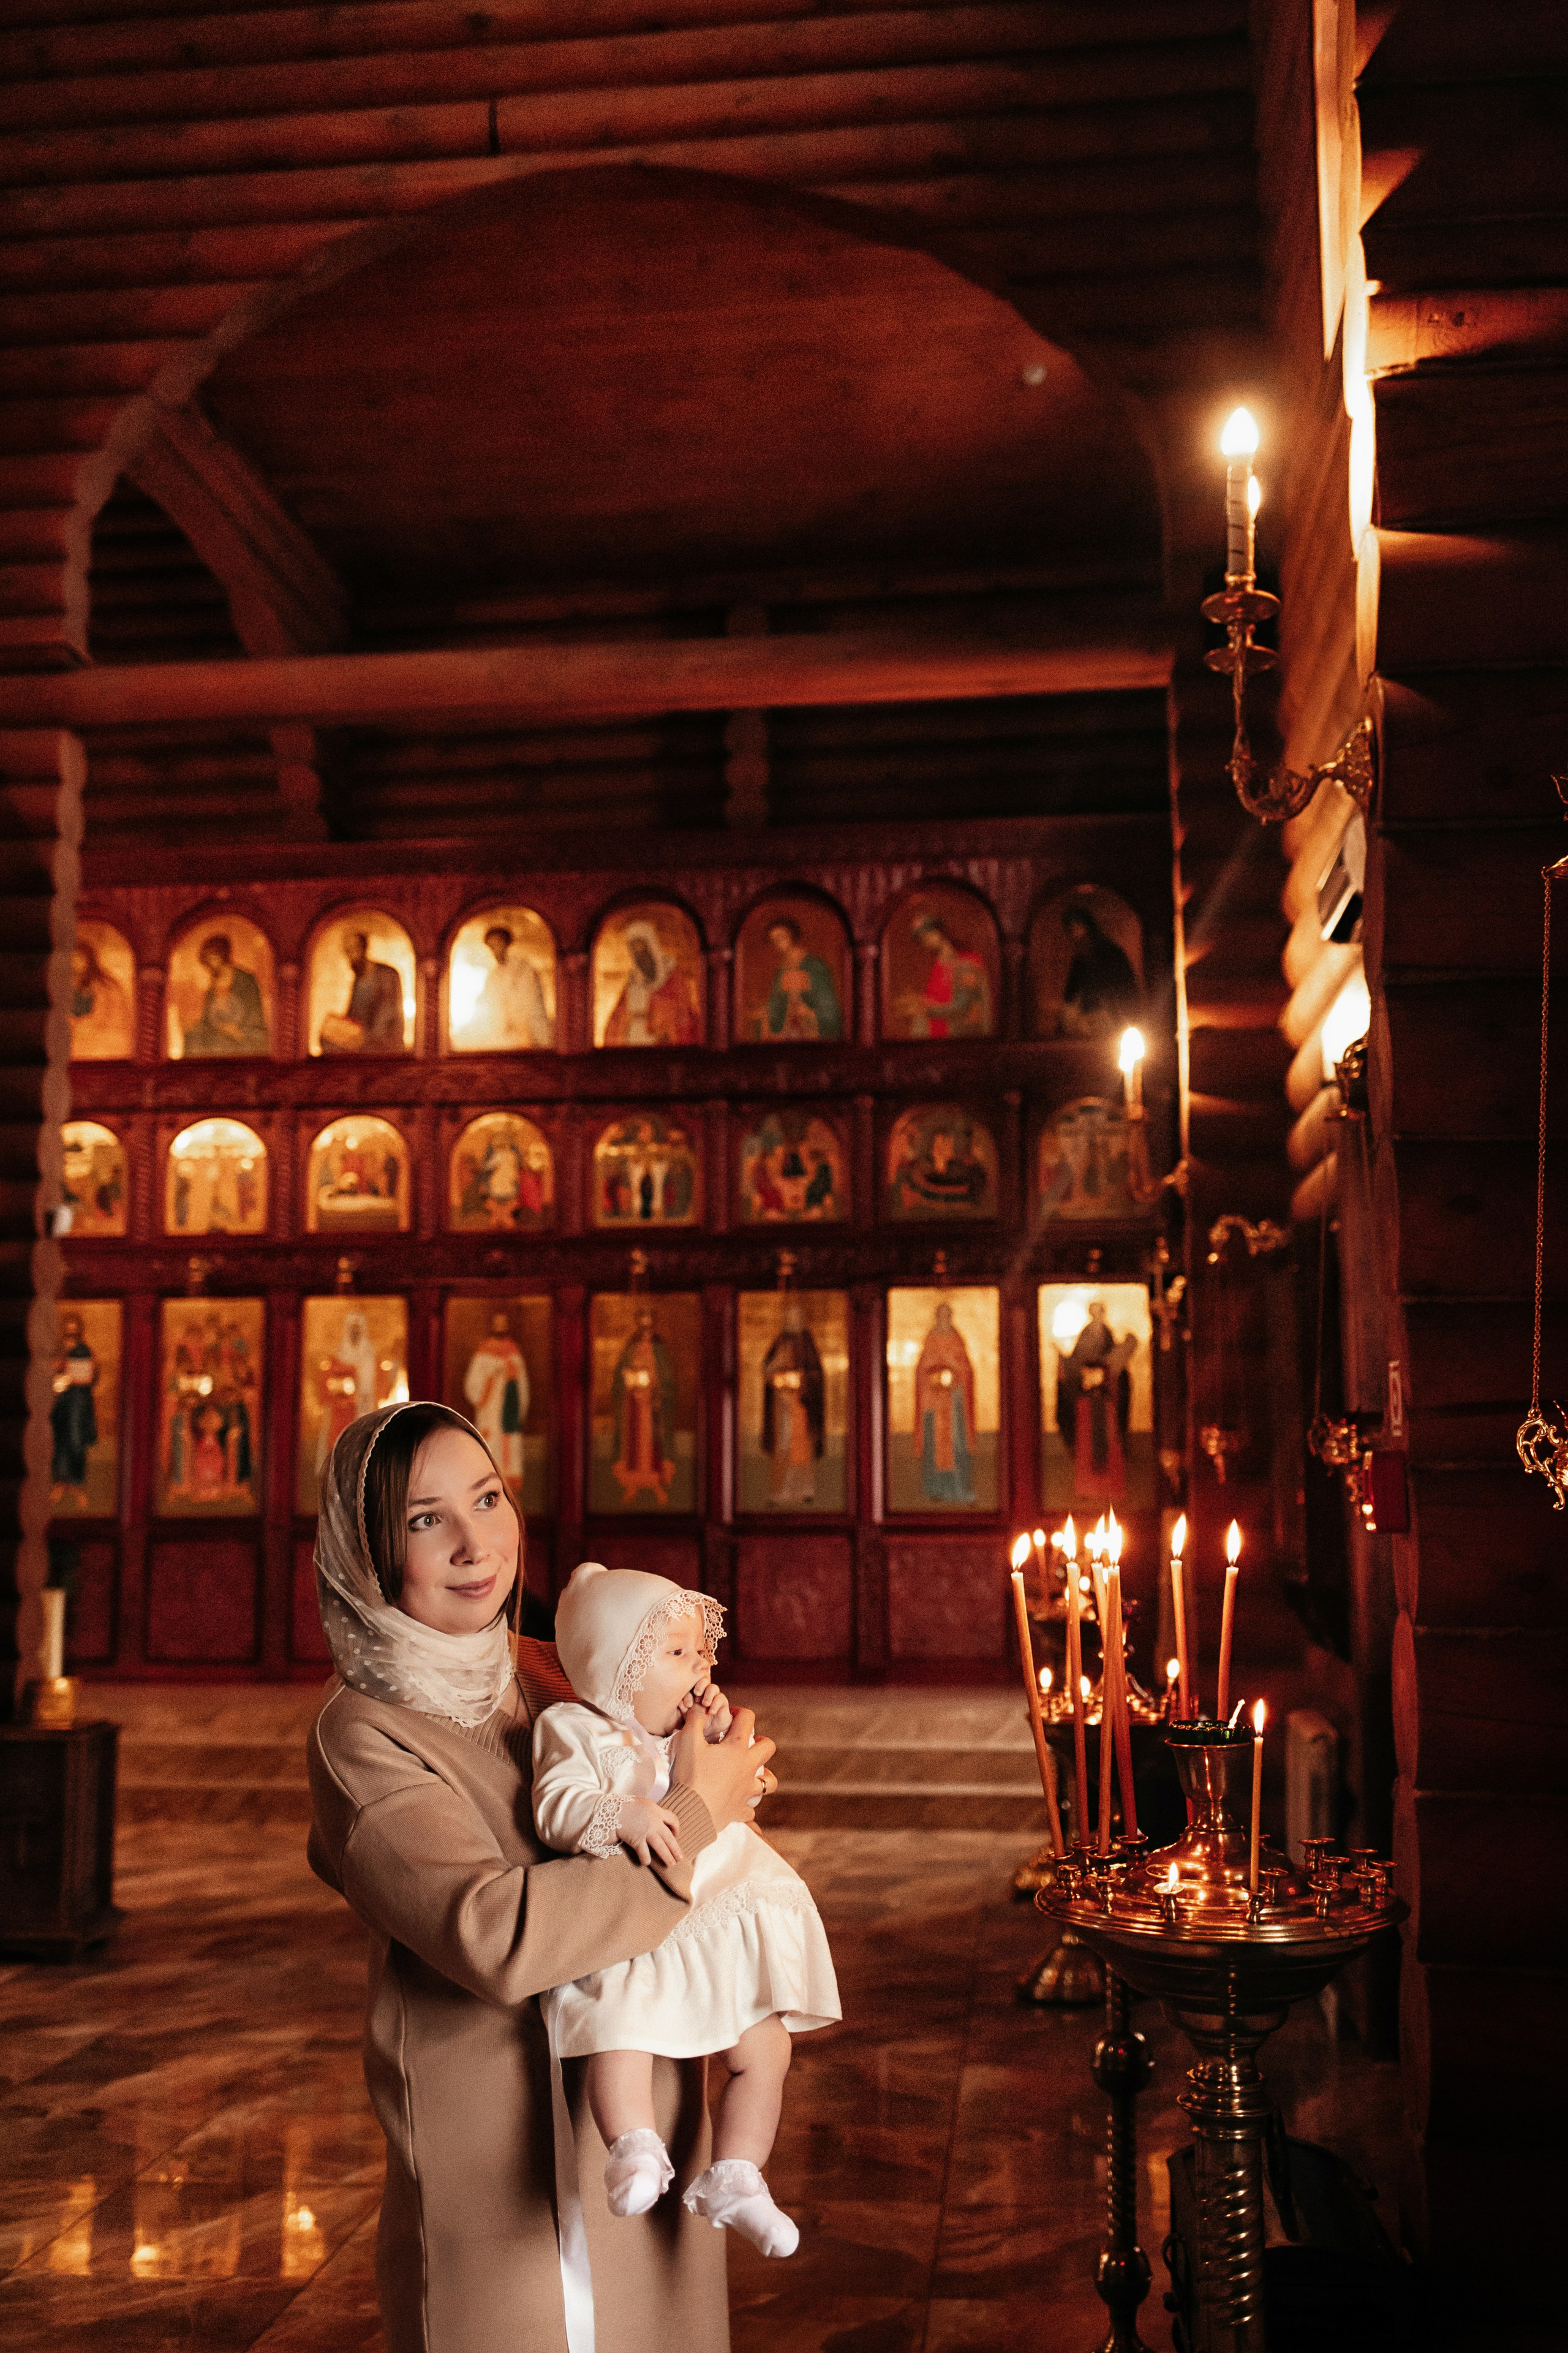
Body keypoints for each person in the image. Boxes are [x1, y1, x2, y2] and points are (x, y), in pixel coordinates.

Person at [307, 1402, 778, 2353]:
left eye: (488, 1498)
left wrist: (711, 1758)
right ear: (368, 1548)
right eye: (424, 1518)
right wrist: (697, 1816)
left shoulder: (543, 1674)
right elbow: (495, 1932)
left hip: (638, 2114)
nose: (475, 1543)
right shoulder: (363, 1733)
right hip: (501, 2151)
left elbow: (664, 1786)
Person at [532, 1565, 839, 2259]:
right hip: (639, 1912)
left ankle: (739, 2173)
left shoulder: (687, 1731)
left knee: (765, 2043)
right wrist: (622, 1814)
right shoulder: (574, 1727)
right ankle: (633, 2147)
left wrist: (729, 1750)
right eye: (677, 1653)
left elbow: (746, 1795)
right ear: (616, 1668)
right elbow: (556, 1805)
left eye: (702, 1651)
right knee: (620, 2020)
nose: (700, 1665)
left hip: (716, 1913)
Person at [760, 1301, 825, 1506]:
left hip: (802, 1408)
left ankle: (804, 1490)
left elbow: (816, 1375)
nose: (792, 1321)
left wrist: (800, 1380)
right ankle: (781, 1492)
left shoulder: (807, 1344)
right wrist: (778, 1379)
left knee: (802, 1450)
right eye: (789, 1317)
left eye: (796, 1317)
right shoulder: (779, 1342)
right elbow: (767, 1370)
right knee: (783, 1450)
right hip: (782, 1407)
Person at [914, 1300, 978, 1505]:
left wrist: (954, 1375)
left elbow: (967, 1369)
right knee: (934, 1446)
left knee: (957, 1445)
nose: (944, 1320)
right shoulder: (930, 1341)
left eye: (947, 1316)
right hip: (934, 1404)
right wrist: (934, 1377)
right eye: (940, 1316)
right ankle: (935, 1489)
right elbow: (922, 1369)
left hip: (953, 1405)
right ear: (936, 1318)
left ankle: (959, 1487)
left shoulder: (957, 1341)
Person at [602, 920, 702, 1048]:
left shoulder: (675, 978)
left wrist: (660, 1016)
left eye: (643, 949)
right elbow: (615, 1022)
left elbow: (685, 1018)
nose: (640, 956)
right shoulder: (632, 982)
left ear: (652, 947)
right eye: (635, 951)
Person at [464, 1310, 530, 1493]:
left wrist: (513, 1378)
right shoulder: (484, 1351)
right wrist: (491, 1379)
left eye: (504, 1323)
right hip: (491, 1410)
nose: (500, 1326)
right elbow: (473, 1383)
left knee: (510, 1448)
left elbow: (522, 1383)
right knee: (491, 1445)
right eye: (497, 1323)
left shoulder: (514, 1351)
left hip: (510, 1408)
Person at [899, 913, 992, 1038]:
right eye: (922, 937)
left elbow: (962, 1008)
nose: (925, 940)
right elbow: (939, 997)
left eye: (928, 934)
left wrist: (924, 1010)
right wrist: (918, 1001)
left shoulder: (967, 963)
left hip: (961, 1036)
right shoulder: (939, 963)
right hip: (938, 1033)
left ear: (940, 932)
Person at [1057, 902, 1141, 1039]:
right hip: (1087, 1024)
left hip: (1113, 1023)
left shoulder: (1112, 955)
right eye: (1071, 931)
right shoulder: (1080, 960)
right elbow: (1071, 996)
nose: (1075, 936)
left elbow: (1124, 993)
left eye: (1078, 929)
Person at [318, 928, 407, 1054]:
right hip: (361, 1038)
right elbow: (353, 1014)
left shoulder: (387, 974)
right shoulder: (358, 979)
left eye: (354, 949)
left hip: (381, 1042)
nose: (352, 956)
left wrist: (364, 1037)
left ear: (364, 948)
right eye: (348, 951)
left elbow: (388, 1014)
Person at [182, 932, 271, 1056]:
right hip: (218, 1034)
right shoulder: (213, 987)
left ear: (223, 956)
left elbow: (255, 1017)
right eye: (207, 960)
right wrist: (196, 1026)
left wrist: (237, 1031)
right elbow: (207, 1021)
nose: (210, 964)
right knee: (191, 1037)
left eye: (213, 958)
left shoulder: (246, 981)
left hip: (243, 1034)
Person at [755, 916, 842, 1041]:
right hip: (786, 1029)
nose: (777, 944)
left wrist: (810, 1012)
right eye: (774, 940)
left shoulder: (814, 965)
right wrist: (767, 1011)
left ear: (792, 936)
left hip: (809, 1027)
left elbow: (827, 1004)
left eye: (780, 938)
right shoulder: (782, 970)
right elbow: (777, 1002)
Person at [469, 924, 552, 1049]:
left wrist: (519, 1032)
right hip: (506, 1035)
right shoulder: (494, 975)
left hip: (531, 1033)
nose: (495, 949)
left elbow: (528, 1003)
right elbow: (490, 1004)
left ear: (506, 944)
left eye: (498, 944)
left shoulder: (523, 968)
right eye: (491, 946)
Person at [50, 1313, 99, 1507]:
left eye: (74, 1328)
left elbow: (90, 1376)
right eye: (68, 1328)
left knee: (77, 1442)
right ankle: (60, 1483)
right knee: (59, 1442)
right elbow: (48, 1370)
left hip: (79, 1403)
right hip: (60, 1402)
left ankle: (78, 1484)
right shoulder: (57, 1349)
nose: (71, 1332)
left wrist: (74, 1375)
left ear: (78, 1330)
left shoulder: (84, 1350)